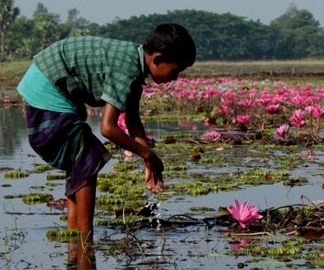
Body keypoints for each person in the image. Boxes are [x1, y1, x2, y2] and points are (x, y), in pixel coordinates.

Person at [16, 24, 196, 241]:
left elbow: (132, 120)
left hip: (51, 86)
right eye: (175, 71)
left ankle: (75, 240)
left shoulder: (134, 65)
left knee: (79, 157)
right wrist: (149, 155)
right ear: (157, 59)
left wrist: (148, 160)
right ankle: (84, 237)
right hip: (46, 87)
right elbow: (108, 128)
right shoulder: (127, 68)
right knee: (87, 152)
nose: (174, 78)